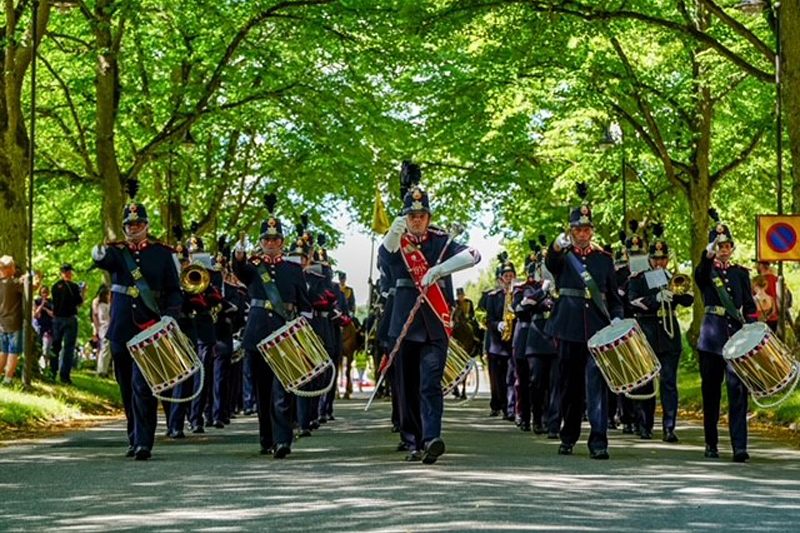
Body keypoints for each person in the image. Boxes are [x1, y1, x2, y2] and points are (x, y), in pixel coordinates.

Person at [378, 163, 481, 464]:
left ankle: (432, 437)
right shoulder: (398, 240)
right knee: (407, 386)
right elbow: (385, 261)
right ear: (405, 217)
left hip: (435, 323)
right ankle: (412, 440)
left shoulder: (440, 240)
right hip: (404, 323)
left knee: (430, 382)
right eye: (412, 216)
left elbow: (473, 255)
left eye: (422, 216)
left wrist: (440, 269)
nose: (418, 220)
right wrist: (392, 236)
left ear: (429, 217)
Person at [92, 179, 183, 460]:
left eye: (138, 224)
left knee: (144, 387)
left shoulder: (162, 254)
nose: (134, 228)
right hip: (121, 329)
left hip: (149, 328)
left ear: (146, 225)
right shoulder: (117, 253)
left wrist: (168, 317)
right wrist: (98, 254)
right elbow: (103, 261)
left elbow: (173, 292)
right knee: (126, 386)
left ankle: (145, 442)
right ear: (124, 227)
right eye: (129, 225)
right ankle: (133, 436)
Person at [544, 183, 623, 459]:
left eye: (586, 229)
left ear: (592, 231)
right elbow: (551, 263)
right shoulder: (563, 258)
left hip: (598, 329)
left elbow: (613, 296)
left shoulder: (604, 259)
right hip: (568, 327)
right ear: (570, 231)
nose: (582, 233)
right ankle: (569, 434)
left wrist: (617, 319)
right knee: (569, 385)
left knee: (597, 385)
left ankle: (599, 440)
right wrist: (555, 246)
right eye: (577, 229)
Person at [232, 194, 310, 459]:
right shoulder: (253, 267)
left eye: (276, 239)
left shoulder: (293, 269)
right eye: (266, 239)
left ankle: (282, 440)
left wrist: (304, 333)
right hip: (256, 334)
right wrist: (239, 255)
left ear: (283, 243)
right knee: (262, 391)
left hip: (283, 335)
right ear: (261, 242)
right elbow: (239, 269)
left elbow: (304, 305)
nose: (271, 243)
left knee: (282, 389)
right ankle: (267, 437)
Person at [695, 209, 756, 462]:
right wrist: (707, 254)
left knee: (738, 392)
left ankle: (739, 446)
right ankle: (711, 443)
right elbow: (699, 274)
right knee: (711, 394)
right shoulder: (706, 272)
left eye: (727, 245)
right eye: (719, 245)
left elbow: (749, 306)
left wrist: (753, 328)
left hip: (736, 340)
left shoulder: (740, 273)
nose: (724, 249)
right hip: (711, 339)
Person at [628, 223, 693, 443]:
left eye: (663, 259)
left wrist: (676, 290)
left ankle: (669, 427)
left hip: (669, 332)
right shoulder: (638, 278)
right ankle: (644, 424)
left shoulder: (672, 277)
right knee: (645, 381)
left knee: (668, 381)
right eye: (656, 259)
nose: (659, 263)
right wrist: (654, 300)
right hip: (646, 329)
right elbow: (632, 302)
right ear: (649, 259)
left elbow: (688, 300)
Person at [483, 255, 517, 421]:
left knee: (511, 377)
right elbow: (487, 318)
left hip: (512, 343)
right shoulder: (492, 296)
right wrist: (498, 325)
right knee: (497, 378)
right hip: (495, 344)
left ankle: (509, 408)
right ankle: (497, 403)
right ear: (501, 279)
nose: (509, 279)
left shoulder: (518, 295)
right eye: (506, 276)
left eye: (511, 276)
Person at [50, 263, 87, 384]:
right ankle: (64, 376)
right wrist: (83, 292)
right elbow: (79, 302)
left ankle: (52, 372)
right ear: (69, 272)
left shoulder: (54, 286)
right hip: (70, 319)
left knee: (55, 346)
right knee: (68, 348)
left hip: (56, 319)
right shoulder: (74, 286)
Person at [0, 255, 24, 385]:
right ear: (9, 269)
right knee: (13, 352)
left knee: (2, 351)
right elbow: (32, 287)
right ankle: (8, 379)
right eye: (13, 266)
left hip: (1, 323)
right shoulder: (14, 283)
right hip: (14, 323)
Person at [91, 285, 111, 377]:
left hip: (108, 327)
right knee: (104, 348)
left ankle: (104, 369)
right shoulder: (99, 304)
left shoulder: (108, 304)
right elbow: (96, 316)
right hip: (103, 328)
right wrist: (96, 329)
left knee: (106, 349)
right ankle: (101, 371)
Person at [34, 285, 55, 369]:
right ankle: (38, 365)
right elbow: (36, 315)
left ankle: (45, 366)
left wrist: (46, 309)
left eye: (46, 292)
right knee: (38, 347)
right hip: (39, 327)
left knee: (47, 348)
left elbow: (54, 314)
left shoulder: (51, 302)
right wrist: (42, 305)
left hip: (49, 327)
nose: (45, 294)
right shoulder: (37, 301)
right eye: (43, 292)